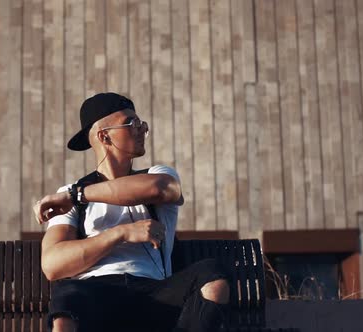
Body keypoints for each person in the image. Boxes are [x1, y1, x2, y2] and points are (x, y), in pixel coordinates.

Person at [33, 92, 230, 332]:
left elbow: (161, 189)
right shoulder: (68, 194)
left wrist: (77, 195)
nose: (142, 129)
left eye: (142, 124)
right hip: (98, 295)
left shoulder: (155, 174)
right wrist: (121, 233)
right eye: (131, 123)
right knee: (66, 300)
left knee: (211, 275)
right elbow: (53, 265)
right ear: (104, 136)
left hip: (157, 294)